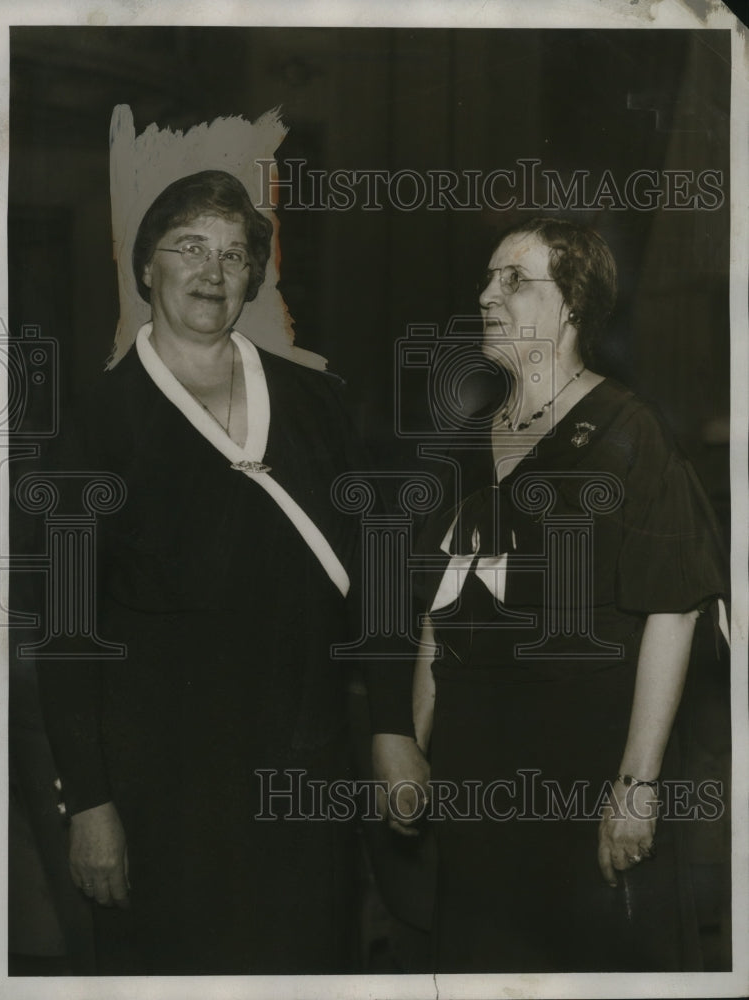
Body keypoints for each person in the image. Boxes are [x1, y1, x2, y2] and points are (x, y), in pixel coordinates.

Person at [35, 170, 417, 974]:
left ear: (253, 277)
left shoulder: (320, 404)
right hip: (160, 793)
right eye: (190, 248)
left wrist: (391, 726)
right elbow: (67, 633)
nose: (212, 271)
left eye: (234, 255)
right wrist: (91, 803)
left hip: (305, 779)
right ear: (147, 268)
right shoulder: (95, 425)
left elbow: (382, 573)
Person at [408, 217, 728, 972]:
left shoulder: (629, 433)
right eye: (487, 278)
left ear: (574, 305)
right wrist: (416, 751)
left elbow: (673, 612)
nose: (487, 294)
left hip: (584, 783)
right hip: (475, 790)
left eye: (514, 280)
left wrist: (637, 788)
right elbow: (436, 616)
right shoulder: (469, 440)